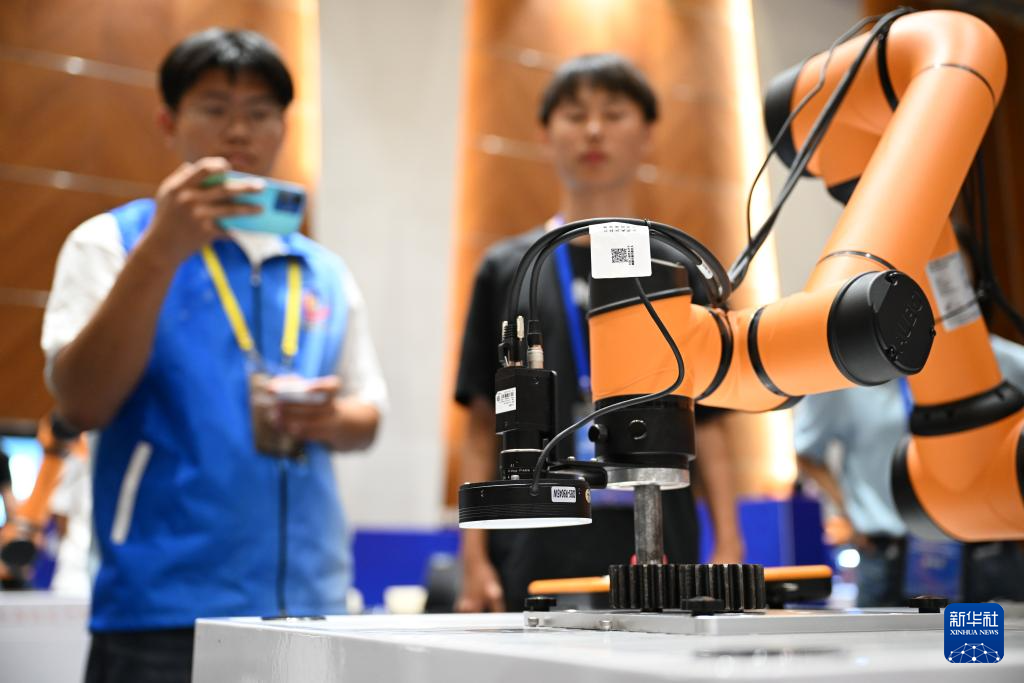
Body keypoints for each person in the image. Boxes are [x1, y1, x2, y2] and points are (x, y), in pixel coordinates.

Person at [41, 28, 386, 681]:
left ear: (282, 127)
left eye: (260, 112)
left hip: (310, 608)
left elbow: (367, 412)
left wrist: (327, 419)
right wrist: (162, 252)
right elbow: (81, 401)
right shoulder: (111, 243)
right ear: (168, 122)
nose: (239, 131)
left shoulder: (322, 270)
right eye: (214, 108)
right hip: (161, 609)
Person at [454, 53, 742, 613]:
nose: (593, 130)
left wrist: (729, 539)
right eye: (574, 115)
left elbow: (706, 421)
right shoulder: (510, 269)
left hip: (659, 527)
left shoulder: (677, 268)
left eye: (613, 114)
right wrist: (473, 558)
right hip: (538, 530)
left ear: (648, 134)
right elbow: (483, 422)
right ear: (545, 134)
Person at [795, 240, 1024, 606]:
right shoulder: (849, 372)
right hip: (888, 560)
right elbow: (807, 452)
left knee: (983, 645)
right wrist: (848, 511)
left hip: (988, 558)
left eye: (944, 270)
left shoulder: (1010, 363)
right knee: (895, 647)